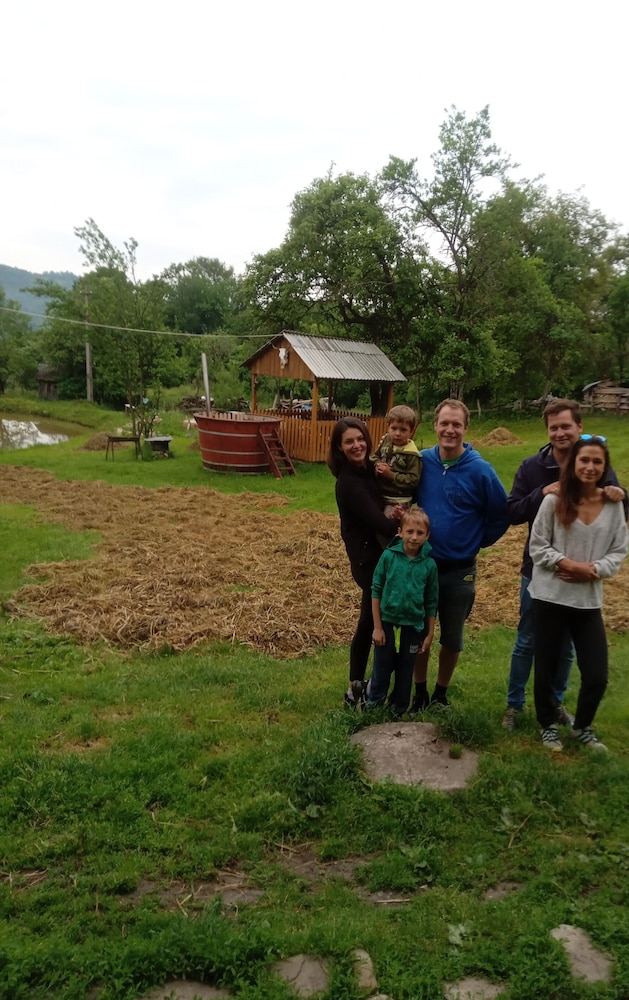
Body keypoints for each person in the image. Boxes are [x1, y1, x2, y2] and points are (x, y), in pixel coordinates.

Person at [502, 399, 627, 730]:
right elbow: (512, 512)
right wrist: (542, 492)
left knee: (567, 648)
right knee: (527, 640)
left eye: (566, 426)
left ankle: (555, 703)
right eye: (554, 427)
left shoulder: (594, 459)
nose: (560, 433)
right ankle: (514, 705)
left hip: (582, 579)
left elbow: (614, 505)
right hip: (539, 571)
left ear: (579, 427)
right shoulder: (532, 466)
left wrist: (620, 493)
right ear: (547, 430)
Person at [529, 436, 628, 752]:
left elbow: (619, 550)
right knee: (546, 668)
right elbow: (537, 545)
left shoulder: (613, 505)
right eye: (584, 460)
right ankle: (547, 725)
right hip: (550, 596)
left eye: (597, 461)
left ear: (605, 467)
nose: (590, 466)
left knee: (597, 674)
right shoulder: (554, 501)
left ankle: (582, 726)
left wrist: (593, 569)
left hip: (587, 601)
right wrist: (567, 563)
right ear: (573, 464)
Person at [410, 399, 509, 711]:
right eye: (444, 423)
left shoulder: (481, 471)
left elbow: (501, 513)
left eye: (456, 424)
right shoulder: (422, 462)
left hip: (459, 571)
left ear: (466, 428)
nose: (449, 430)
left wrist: (477, 541)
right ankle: (419, 692)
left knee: (452, 638)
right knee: (419, 633)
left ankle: (440, 693)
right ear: (435, 426)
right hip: (423, 566)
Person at [327, 416, 401, 707]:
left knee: (371, 620)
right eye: (349, 442)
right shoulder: (349, 483)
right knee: (373, 622)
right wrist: (408, 523)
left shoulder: (368, 469)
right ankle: (359, 688)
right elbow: (380, 524)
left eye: (360, 439)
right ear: (339, 447)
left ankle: (360, 684)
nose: (357, 445)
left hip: (377, 556)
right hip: (368, 561)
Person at [369, 508, 438, 716]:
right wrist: (377, 627)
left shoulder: (429, 565)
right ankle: (373, 708)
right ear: (400, 532)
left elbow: (431, 601)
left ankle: (398, 710)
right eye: (409, 532)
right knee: (382, 666)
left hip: (413, 625)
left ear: (427, 536)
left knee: (406, 668)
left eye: (420, 533)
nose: (414, 537)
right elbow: (376, 589)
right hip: (387, 622)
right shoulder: (388, 557)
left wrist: (430, 632)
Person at [371, 404, 422, 515]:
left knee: (386, 523)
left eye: (403, 430)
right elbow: (374, 457)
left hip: (398, 500)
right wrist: (377, 465)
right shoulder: (386, 441)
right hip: (380, 493)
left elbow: (413, 480)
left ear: (411, 431)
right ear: (388, 427)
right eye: (394, 428)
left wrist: (390, 475)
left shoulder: (412, 454)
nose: (397, 433)